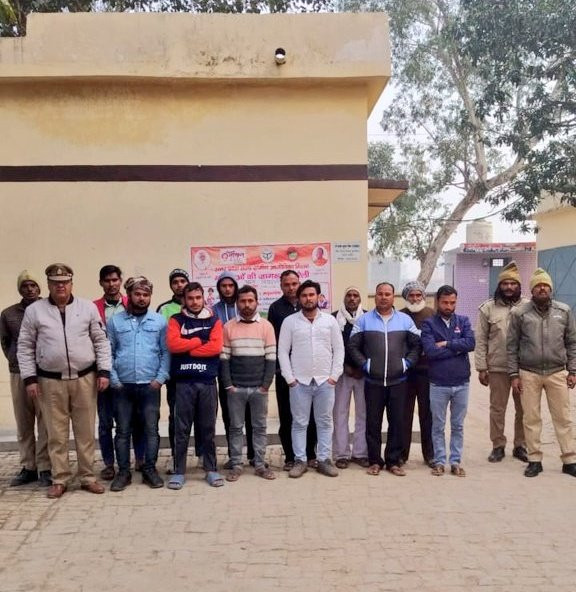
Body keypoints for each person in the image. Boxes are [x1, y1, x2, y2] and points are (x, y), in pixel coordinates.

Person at [17, 264, 111, 499]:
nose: (61, 286)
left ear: (71, 283)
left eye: (65, 282)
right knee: (56, 434)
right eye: (56, 282)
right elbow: (25, 346)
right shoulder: (35, 311)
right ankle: (60, 478)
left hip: (84, 378)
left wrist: (104, 371)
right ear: (48, 285)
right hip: (49, 381)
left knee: (85, 431)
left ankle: (87, 476)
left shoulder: (87, 308)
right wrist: (30, 379)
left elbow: (100, 340)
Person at [507, 268, 576, 478]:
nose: (542, 288)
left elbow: (572, 343)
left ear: (550, 288)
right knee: (531, 418)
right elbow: (512, 346)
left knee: (563, 418)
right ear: (532, 289)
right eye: (538, 285)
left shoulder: (564, 311)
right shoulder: (520, 313)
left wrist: (572, 370)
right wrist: (514, 375)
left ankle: (569, 460)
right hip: (529, 373)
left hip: (557, 372)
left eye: (545, 285)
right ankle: (535, 460)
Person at [348, 282, 421, 477]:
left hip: (399, 381)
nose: (383, 297)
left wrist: (406, 364)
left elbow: (416, 346)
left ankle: (393, 461)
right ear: (375, 297)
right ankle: (374, 461)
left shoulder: (405, 320)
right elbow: (353, 346)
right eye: (380, 294)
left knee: (397, 422)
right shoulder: (364, 320)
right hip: (373, 382)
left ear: (393, 296)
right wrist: (366, 365)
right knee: (373, 423)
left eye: (387, 294)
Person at [107, 277, 170, 491]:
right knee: (122, 431)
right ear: (129, 295)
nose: (142, 298)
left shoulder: (159, 321)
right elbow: (108, 352)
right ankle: (123, 472)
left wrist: (160, 379)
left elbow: (166, 352)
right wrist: (114, 379)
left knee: (151, 430)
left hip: (149, 386)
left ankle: (149, 470)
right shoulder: (115, 322)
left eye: (146, 295)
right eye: (137, 294)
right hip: (122, 386)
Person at [278, 279, 344, 478]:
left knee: (325, 422)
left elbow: (339, 349)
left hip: (325, 381)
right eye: (304, 295)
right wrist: (290, 379)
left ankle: (324, 460)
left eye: (311, 295)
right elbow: (283, 351)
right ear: (299, 298)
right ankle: (300, 460)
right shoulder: (290, 322)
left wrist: (334, 376)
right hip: (299, 382)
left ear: (318, 297)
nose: (308, 299)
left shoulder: (330, 321)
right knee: (299, 423)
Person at [166, 282, 224, 489]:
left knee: (207, 428)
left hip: (207, 382)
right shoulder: (176, 320)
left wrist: (188, 348)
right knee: (181, 429)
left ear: (204, 298)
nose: (194, 302)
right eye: (190, 298)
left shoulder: (214, 320)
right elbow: (173, 344)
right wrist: (200, 341)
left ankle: (211, 469)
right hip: (183, 383)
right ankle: (179, 471)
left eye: (198, 298)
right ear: (184, 299)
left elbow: (215, 347)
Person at [93, 264, 145, 481]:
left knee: (136, 419)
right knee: (106, 421)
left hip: (128, 373)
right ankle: (109, 463)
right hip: (103, 372)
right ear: (101, 283)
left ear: (120, 281)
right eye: (107, 280)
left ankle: (140, 458)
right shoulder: (93, 308)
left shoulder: (132, 302)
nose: (111, 284)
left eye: (115, 280)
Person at [220, 285, 277, 481]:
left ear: (256, 302)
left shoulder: (266, 326)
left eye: (250, 300)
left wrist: (265, 386)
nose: (247, 304)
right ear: (237, 303)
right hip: (236, 389)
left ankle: (260, 464)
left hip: (259, 389)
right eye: (243, 301)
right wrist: (229, 385)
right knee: (235, 428)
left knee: (259, 427)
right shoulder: (228, 327)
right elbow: (224, 359)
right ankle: (236, 464)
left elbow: (271, 359)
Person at [1, 271, 51, 487]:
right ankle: (28, 466)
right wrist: (16, 361)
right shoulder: (8, 314)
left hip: (44, 373)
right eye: (25, 286)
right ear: (19, 289)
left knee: (45, 421)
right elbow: (5, 342)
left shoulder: (48, 309)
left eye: (33, 285)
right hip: (18, 372)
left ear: (39, 288)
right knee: (24, 421)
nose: (29, 289)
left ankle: (45, 466)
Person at [475, 261, 528, 464]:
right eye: (505, 283)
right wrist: (481, 367)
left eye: (513, 284)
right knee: (497, 408)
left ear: (518, 286)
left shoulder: (528, 306)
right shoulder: (488, 308)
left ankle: (520, 445)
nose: (509, 287)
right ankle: (498, 446)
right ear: (499, 285)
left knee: (523, 408)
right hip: (498, 367)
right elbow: (481, 339)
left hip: (524, 368)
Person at [421, 285, 475, 478]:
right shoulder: (428, 324)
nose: (449, 306)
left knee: (458, 425)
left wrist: (446, 343)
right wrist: (457, 349)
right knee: (438, 425)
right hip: (438, 383)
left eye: (452, 302)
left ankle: (455, 462)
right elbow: (430, 351)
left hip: (462, 383)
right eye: (445, 302)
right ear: (437, 302)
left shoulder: (463, 321)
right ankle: (439, 462)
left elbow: (471, 343)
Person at [268, 270, 317, 471]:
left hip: (308, 371)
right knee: (287, 415)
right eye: (287, 284)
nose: (291, 287)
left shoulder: (310, 306)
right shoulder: (275, 308)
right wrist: (280, 369)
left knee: (310, 415)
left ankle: (311, 454)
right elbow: (274, 341)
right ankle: (290, 456)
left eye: (294, 283)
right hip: (285, 372)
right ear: (281, 286)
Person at [212, 271, 256, 468]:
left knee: (251, 416)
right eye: (224, 286)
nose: (228, 289)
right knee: (231, 416)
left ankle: (254, 455)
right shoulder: (213, 311)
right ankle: (234, 455)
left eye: (231, 285)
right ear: (219, 288)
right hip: (225, 369)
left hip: (247, 368)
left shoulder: (244, 308)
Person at [156, 268, 190, 470]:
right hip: (175, 372)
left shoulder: (199, 306)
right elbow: (162, 342)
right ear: (171, 286)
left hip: (198, 370)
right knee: (176, 416)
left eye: (182, 281)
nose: (179, 285)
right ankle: (177, 458)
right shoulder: (164, 309)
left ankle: (204, 457)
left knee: (202, 417)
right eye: (175, 282)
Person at [331, 286, 368, 469]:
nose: (352, 298)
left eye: (355, 295)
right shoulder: (333, 318)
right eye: (349, 295)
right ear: (344, 298)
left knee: (363, 413)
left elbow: (372, 345)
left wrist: (362, 367)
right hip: (341, 373)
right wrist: (343, 366)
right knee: (340, 413)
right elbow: (331, 346)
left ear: (360, 299)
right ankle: (341, 454)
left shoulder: (368, 317)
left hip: (364, 373)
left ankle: (360, 453)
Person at [398, 281, 434, 467]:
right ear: (406, 297)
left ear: (423, 296)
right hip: (405, 372)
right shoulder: (399, 316)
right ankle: (401, 454)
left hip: (427, 372)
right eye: (411, 295)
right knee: (404, 414)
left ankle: (430, 455)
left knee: (427, 414)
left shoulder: (432, 315)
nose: (415, 298)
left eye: (418, 295)